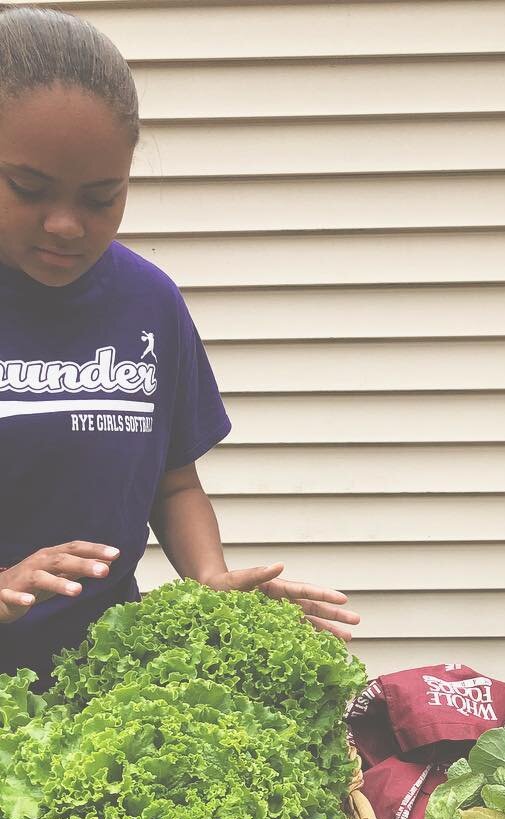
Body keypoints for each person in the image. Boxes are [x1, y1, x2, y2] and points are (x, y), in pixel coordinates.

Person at [0, 7, 358, 684]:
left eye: (102, 197)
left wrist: (209, 581)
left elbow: (174, 481)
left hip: (102, 680)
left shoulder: (147, 301)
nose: (67, 224)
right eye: (29, 189)